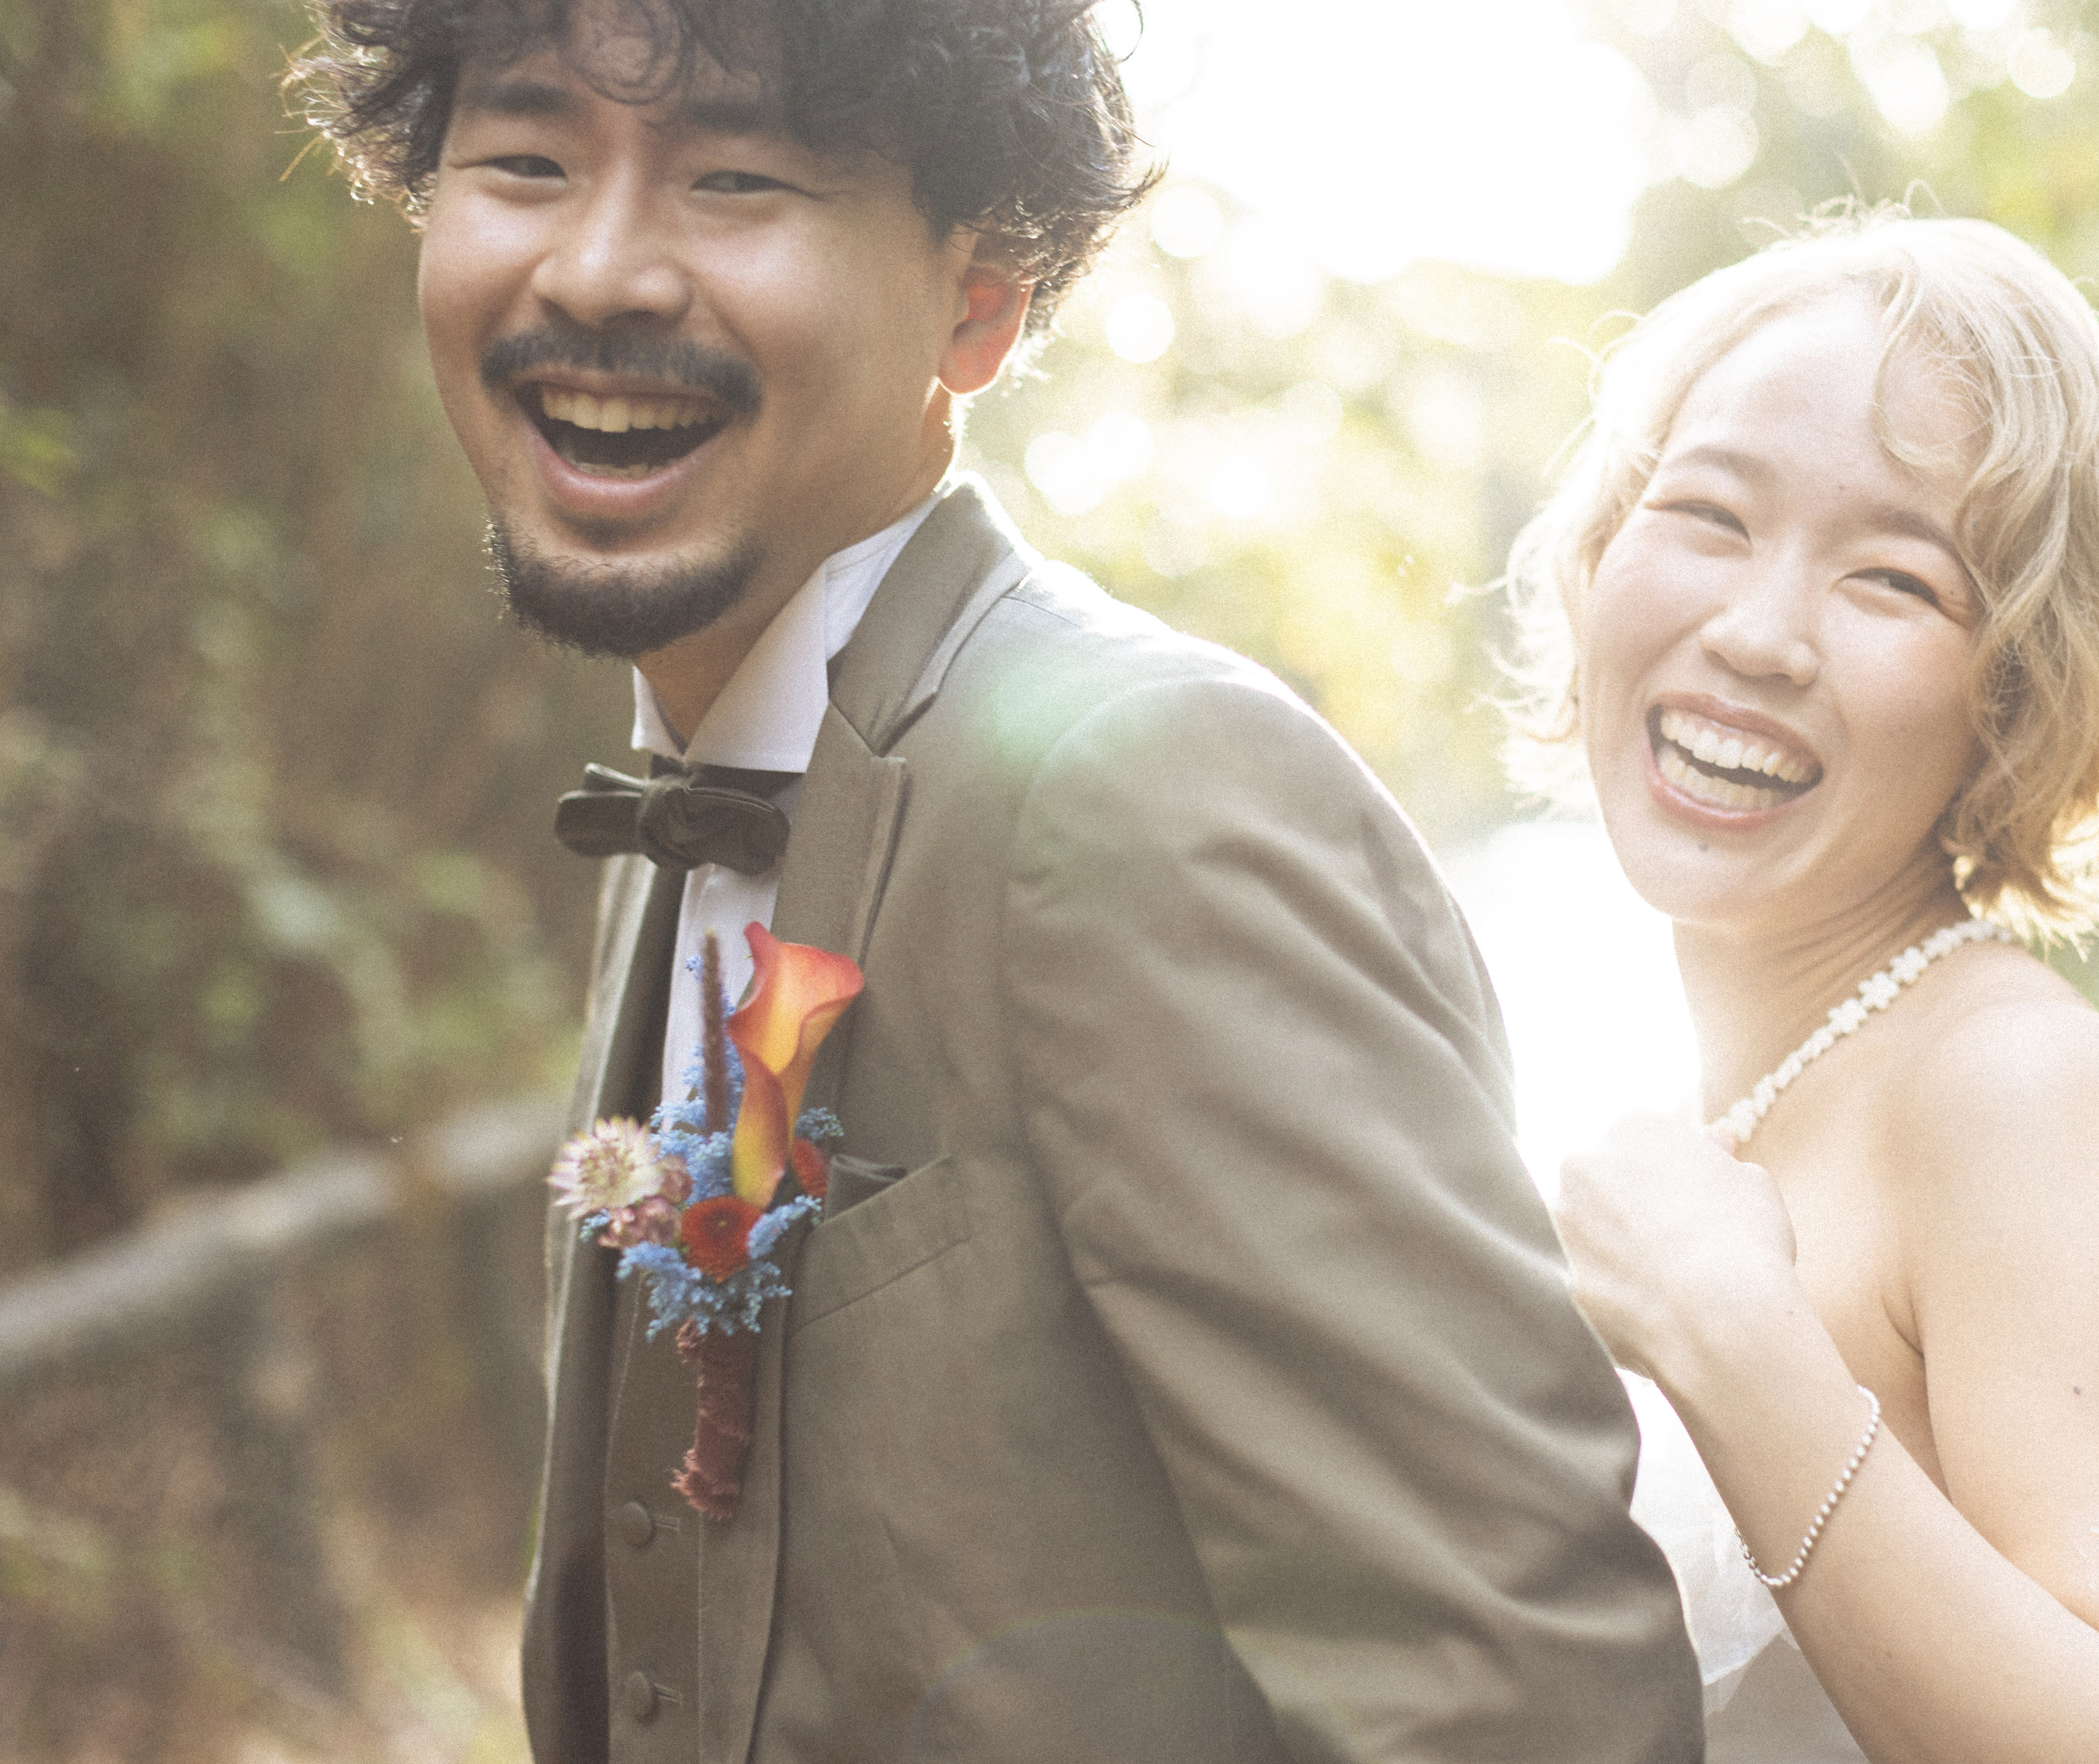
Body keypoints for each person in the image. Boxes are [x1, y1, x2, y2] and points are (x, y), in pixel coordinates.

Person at [293, 1, 1703, 1759]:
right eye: (524, 160)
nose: (596, 270)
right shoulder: (688, 794)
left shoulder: (1152, 796)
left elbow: (1518, 1699)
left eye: (737, 179)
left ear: (977, 302)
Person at [1508, 210, 2099, 1764]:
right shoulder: (1676, 1084)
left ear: (2018, 691)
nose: (1758, 634)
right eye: (1709, 513)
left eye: (1895, 582)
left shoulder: (2022, 1090)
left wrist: (1731, 1332)